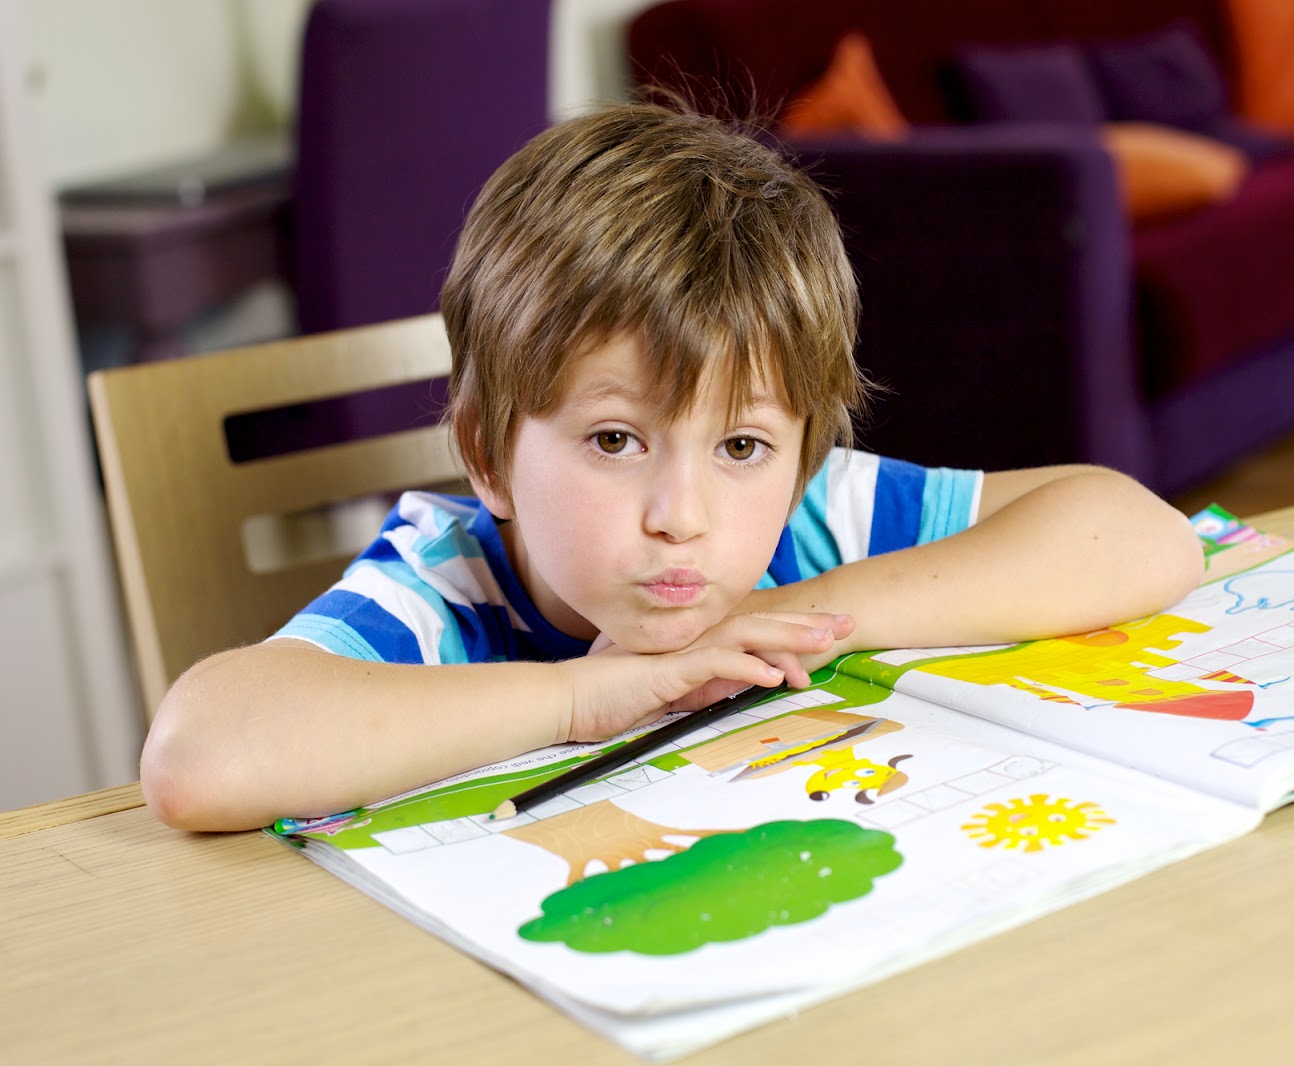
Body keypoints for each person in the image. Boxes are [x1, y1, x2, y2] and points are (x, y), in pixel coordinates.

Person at [141, 103, 1203, 832]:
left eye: (742, 447)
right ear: (487, 453)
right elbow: (201, 756)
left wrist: (810, 613)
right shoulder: (445, 586)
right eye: (614, 441)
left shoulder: (805, 519)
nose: (682, 516)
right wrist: (584, 697)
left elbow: (1140, 532)